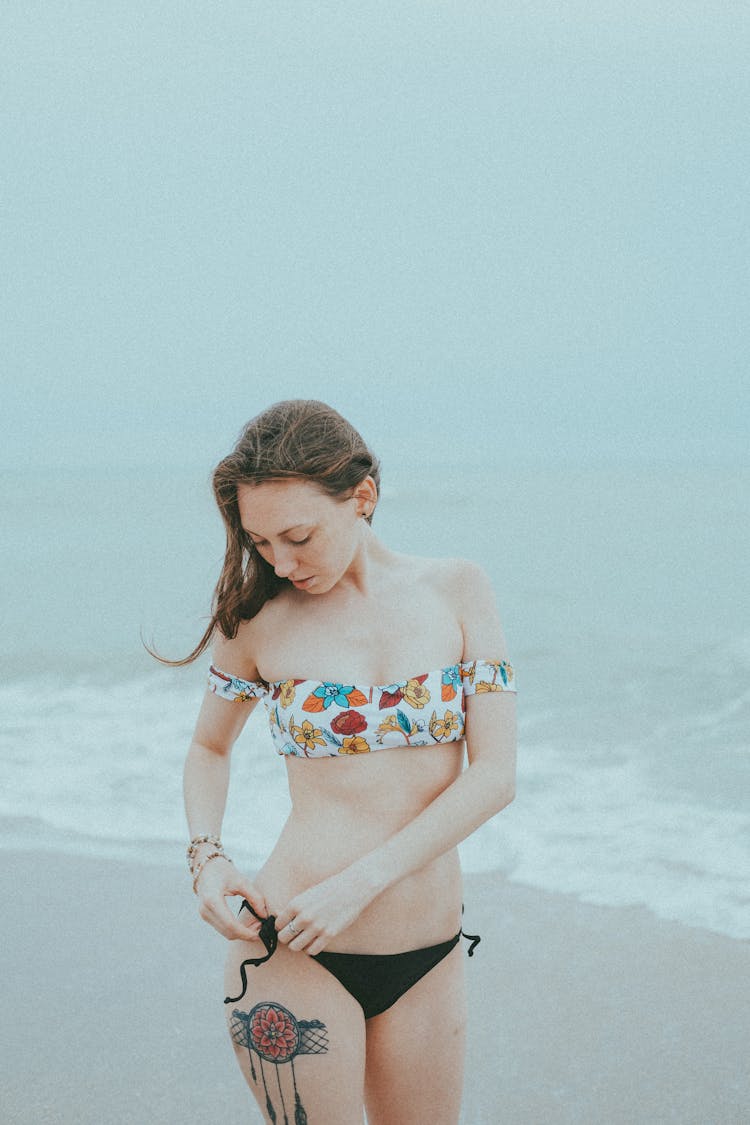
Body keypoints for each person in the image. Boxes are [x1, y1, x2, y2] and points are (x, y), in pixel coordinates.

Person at [155, 399, 517, 1125]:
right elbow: (208, 747)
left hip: (430, 954)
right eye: (260, 542)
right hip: (292, 954)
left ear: (363, 497)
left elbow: (494, 776)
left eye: (297, 536)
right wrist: (206, 857)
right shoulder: (259, 620)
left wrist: (362, 880)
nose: (281, 562)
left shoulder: (458, 590)